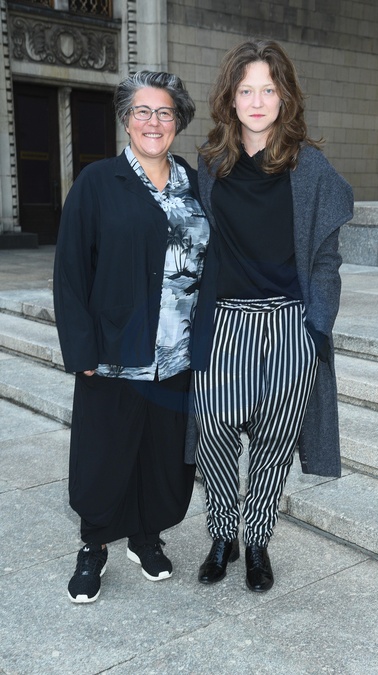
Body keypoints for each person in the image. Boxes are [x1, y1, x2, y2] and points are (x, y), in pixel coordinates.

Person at [189, 39, 353, 592]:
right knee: (214, 430)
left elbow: (326, 259)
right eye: (246, 90)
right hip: (225, 321)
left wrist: (317, 327)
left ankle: (256, 539)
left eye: (268, 89)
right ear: (230, 98)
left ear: (284, 97)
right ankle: (222, 533)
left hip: (288, 322)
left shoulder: (310, 168)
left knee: (275, 439)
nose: (257, 101)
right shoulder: (210, 164)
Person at [53, 71, 209, 603]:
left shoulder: (196, 184)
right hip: (114, 351)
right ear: (126, 119)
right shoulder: (98, 182)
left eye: (165, 112)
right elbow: (71, 270)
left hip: (179, 354)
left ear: (178, 121)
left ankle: (145, 537)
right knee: (105, 455)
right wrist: (81, 348)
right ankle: (93, 545)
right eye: (143, 111)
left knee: (162, 455)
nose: (153, 122)